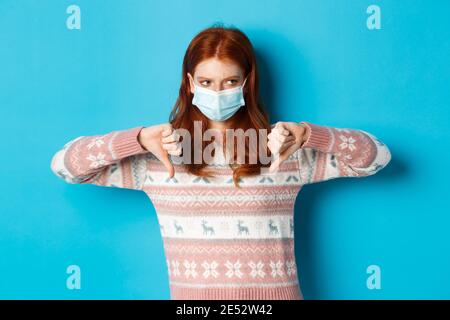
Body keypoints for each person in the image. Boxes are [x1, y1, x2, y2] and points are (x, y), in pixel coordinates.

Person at [50, 24, 391, 300]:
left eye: (230, 81)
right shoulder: (160, 154)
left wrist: (307, 134)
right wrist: (135, 139)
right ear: (190, 83)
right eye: (207, 82)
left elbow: (376, 158)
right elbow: (66, 165)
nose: (218, 91)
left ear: (247, 83)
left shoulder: (281, 148)